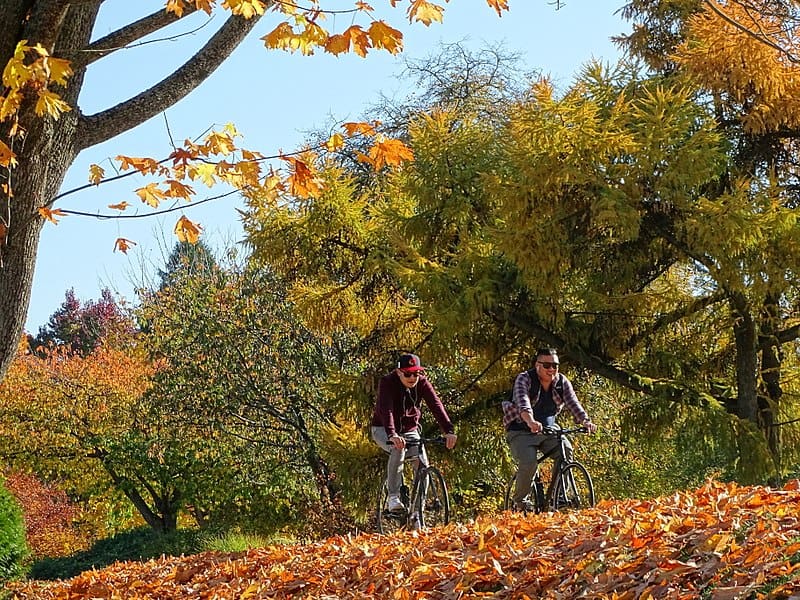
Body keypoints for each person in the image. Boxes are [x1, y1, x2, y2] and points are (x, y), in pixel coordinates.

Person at [502, 347, 597, 512]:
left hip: (548, 428)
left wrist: (585, 421)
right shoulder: (524, 379)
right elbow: (522, 403)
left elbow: (573, 403)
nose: (551, 369)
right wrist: (531, 421)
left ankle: (559, 497)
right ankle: (520, 502)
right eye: (546, 365)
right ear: (537, 365)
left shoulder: (561, 382)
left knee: (565, 450)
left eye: (555, 365)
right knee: (529, 462)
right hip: (520, 430)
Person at [371, 353, 457, 512]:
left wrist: (448, 430)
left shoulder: (422, 383)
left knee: (422, 463)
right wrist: (392, 434)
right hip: (383, 429)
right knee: (399, 448)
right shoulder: (387, 382)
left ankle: (417, 512)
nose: (412, 378)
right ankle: (393, 497)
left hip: (410, 429)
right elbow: (386, 410)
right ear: (398, 372)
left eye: (416, 373)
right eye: (407, 374)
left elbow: (436, 405)